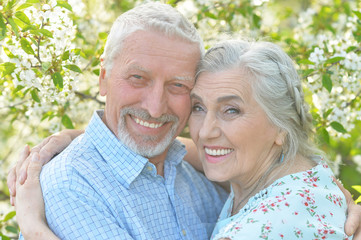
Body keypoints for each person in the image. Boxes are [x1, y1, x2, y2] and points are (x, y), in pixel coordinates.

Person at [10, 38, 361, 239]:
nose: (205, 130)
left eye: (231, 111)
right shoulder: (303, 173)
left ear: (281, 126)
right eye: (197, 107)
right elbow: (190, 148)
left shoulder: (260, 229)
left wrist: (33, 226)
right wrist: (82, 135)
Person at [11, 2, 229, 239]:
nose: (155, 109)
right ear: (103, 78)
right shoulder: (71, 186)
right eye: (138, 78)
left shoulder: (198, 173)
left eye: (178, 85)